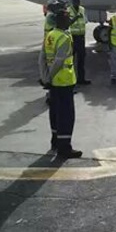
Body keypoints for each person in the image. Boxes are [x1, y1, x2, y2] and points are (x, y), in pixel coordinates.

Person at [39, 10, 82, 159]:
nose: (70, 20)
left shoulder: (50, 35)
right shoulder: (64, 38)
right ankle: (65, 148)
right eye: (67, 18)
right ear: (62, 21)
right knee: (66, 115)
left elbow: (42, 58)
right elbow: (58, 61)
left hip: (53, 84)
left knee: (55, 112)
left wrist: (45, 77)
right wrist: (50, 78)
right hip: (64, 81)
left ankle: (55, 142)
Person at [66, 0, 91, 85]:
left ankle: (81, 79)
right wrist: (75, 18)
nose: (77, 3)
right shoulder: (68, 10)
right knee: (70, 60)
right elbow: (67, 23)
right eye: (75, 1)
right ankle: (70, 80)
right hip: (72, 37)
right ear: (72, 2)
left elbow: (85, 21)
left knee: (81, 59)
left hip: (81, 37)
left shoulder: (82, 9)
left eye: (78, 1)